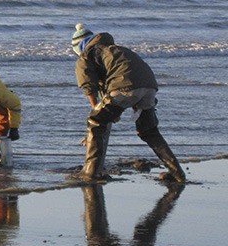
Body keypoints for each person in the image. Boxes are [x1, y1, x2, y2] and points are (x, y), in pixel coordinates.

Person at [71, 23, 185, 183]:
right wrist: (109, 111)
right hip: (149, 85)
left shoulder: (87, 55)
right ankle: (177, 173)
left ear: (79, 47)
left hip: (125, 85)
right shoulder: (115, 49)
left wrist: (96, 110)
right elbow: (112, 80)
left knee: (95, 122)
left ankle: (90, 173)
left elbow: (88, 86)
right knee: (148, 131)